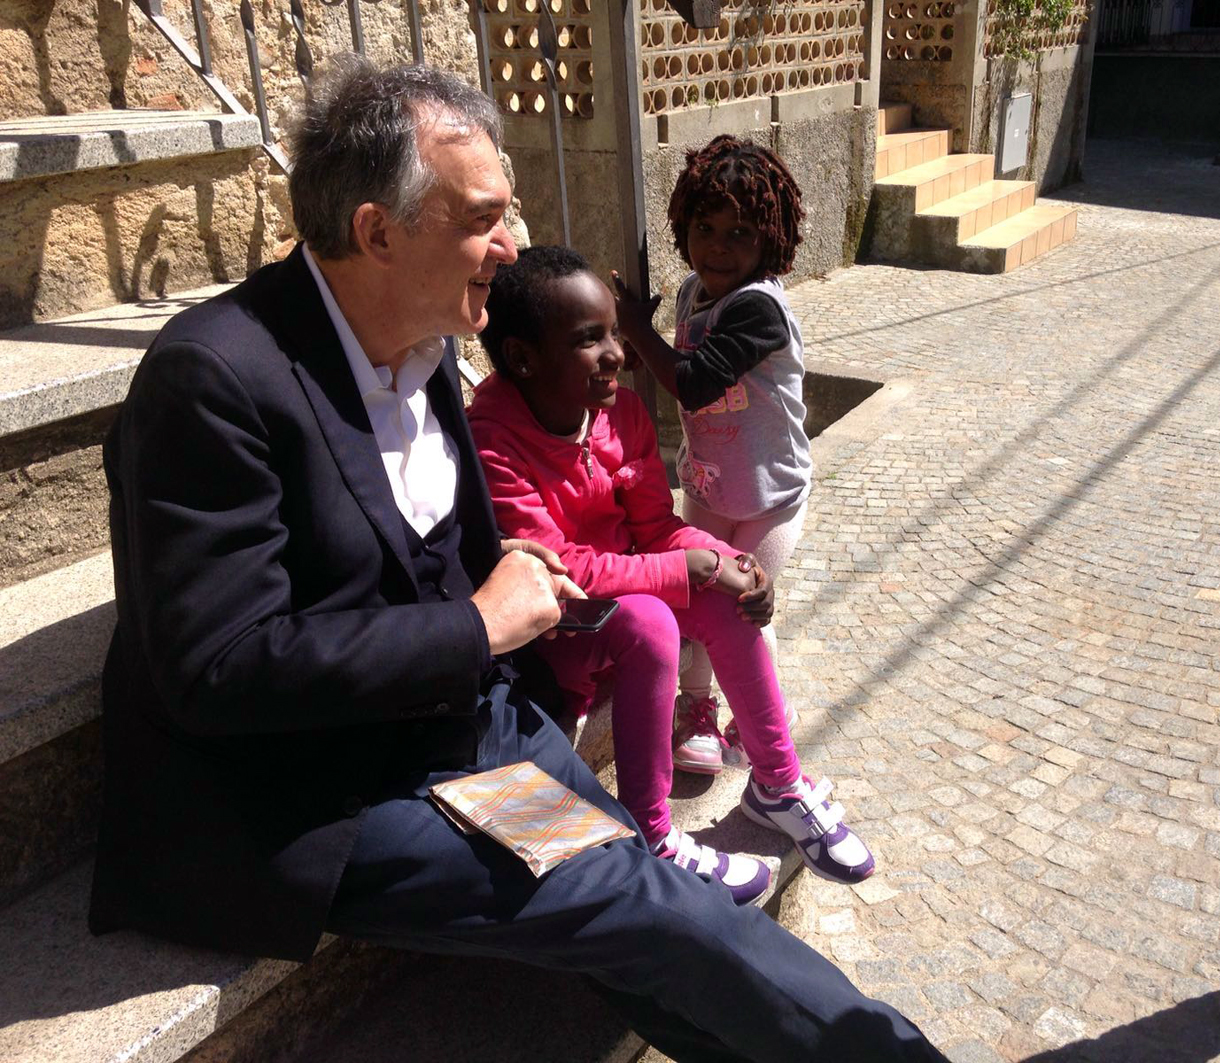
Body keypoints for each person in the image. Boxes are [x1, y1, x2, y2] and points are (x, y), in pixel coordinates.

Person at [87, 57, 947, 1063]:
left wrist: (545, 596)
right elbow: (217, 667)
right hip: (317, 791)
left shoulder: (423, 340)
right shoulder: (211, 377)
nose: (512, 245)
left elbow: (448, 560)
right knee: (645, 902)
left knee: (655, 907)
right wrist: (479, 624)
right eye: (485, 217)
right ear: (377, 231)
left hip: (464, 730)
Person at [468, 245, 875, 904]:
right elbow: (559, 570)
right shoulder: (490, 439)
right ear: (522, 357)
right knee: (653, 618)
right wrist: (690, 564)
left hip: (619, 599)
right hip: (553, 629)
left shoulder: (619, 413)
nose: (616, 354)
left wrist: (724, 563)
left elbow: (656, 528)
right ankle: (653, 837)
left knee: (723, 595)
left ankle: (776, 781)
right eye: (588, 339)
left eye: (613, 333)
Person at [613, 134, 811, 775]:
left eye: (740, 233)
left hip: (770, 498)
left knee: (746, 603)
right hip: (704, 484)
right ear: (682, 225)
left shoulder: (759, 309)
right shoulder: (691, 293)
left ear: (770, 240)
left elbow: (695, 381)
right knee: (700, 597)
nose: (719, 247)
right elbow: (672, 378)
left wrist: (636, 333)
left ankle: (756, 720)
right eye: (705, 227)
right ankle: (696, 709)